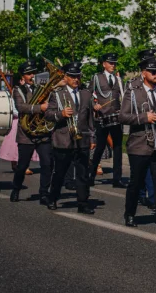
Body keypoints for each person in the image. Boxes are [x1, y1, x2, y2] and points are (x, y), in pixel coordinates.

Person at [120, 55, 156, 231]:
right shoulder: (133, 92)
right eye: (152, 72)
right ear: (144, 73)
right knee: (136, 182)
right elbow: (123, 116)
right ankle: (129, 214)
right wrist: (144, 117)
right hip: (139, 144)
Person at [45, 63, 95, 214]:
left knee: (82, 173)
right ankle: (52, 197)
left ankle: (83, 202)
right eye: (72, 76)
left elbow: (90, 118)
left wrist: (93, 137)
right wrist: (61, 114)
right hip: (64, 139)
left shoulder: (86, 94)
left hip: (82, 138)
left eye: (78, 76)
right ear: (65, 77)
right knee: (60, 172)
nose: (76, 79)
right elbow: (48, 114)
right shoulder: (57, 94)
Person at [11, 61, 53, 204]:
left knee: (47, 164)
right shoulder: (18, 90)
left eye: (34, 73)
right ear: (23, 75)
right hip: (26, 133)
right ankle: (16, 189)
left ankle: (44, 193)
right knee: (22, 166)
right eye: (29, 74)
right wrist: (39, 108)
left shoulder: (41, 87)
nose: (32, 76)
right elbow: (21, 107)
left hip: (42, 132)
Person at [89, 53, 123, 187]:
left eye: (114, 63)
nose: (113, 65)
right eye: (110, 63)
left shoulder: (118, 79)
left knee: (118, 147)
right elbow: (88, 93)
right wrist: (94, 104)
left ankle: (117, 179)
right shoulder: (97, 77)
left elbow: (122, 94)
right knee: (100, 147)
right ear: (104, 64)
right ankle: (91, 176)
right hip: (102, 117)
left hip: (116, 116)